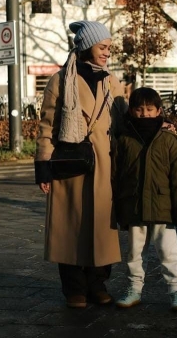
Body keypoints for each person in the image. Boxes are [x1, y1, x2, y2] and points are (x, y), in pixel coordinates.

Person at [35, 20, 127, 309]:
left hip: (104, 165)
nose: (107, 53)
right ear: (87, 46)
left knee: (102, 227)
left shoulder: (112, 81)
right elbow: (47, 127)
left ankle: (97, 284)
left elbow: (125, 123)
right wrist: (43, 167)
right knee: (71, 227)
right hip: (70, 163)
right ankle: (74, 288)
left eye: (109, 48)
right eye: (103, 47)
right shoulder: (60, 81)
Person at [112, 87, 177, 312]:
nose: (144, 114)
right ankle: (133, 289)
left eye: (149, 109)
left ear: (158, 111)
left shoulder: (168, 140)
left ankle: (176, 291)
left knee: (169, 252)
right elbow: (116, 176)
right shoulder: (125, 139)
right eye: (139, 109)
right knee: (134, 253)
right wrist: (118, 209)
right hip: (134, 206)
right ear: (131, 111)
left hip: (162, 208)